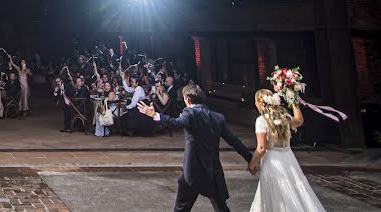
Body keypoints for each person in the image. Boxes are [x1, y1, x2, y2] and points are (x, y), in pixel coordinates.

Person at [138, 84, 252, 212]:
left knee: (181, 209)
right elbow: (234, 141)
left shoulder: (190, 112)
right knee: (221, 209)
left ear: (187, 99)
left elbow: (176, 124)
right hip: (212, 171)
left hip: (192, 172)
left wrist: (155, 115)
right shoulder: (218, 117)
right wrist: (250, 159)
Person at [247, 89, 325, 212]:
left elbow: (261, 148)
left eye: (256, 102)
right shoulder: (285, 117)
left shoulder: (261, 120)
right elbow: (299, 121)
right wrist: (294, 102)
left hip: (273, 161)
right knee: (294, 189)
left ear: (261, 103)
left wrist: (252, 163)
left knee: (277, 193)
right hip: (288, 158)